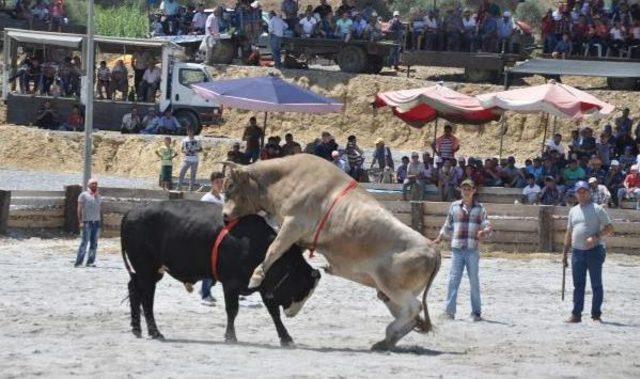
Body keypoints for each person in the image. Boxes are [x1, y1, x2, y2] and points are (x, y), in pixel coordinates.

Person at [434, 179, 492, 321]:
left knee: (473, 281)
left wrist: (485, 231)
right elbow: (447, 225)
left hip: (472, 249)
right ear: (461, 190)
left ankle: (476, 312)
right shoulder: (454, 206)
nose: (466, 191)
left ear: (474, 191)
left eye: (469, 189)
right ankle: (449, 311)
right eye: (464, 189)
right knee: (454, 280)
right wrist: (439, 238)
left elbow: (487, 225)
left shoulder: (480, 208)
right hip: (457, 249)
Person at [563, 181, 614, 323]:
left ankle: (596, 315)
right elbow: (569, 232)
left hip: (595, 251)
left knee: (596, 284)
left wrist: (596, 237)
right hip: (577, 252)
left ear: (589, 192)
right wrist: (564, 254)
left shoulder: (597, 209)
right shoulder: (573, 211)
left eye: (584, 191)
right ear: (575, 194)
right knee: (578, 284)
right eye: (579, 192)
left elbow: (610, 228)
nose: (582, 194)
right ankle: (576, 315)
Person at [199, 171, 225, 306]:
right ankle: (205, 294)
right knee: (209, 266)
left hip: (220, 234)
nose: (220, 185)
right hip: (209, 235)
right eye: (217, 182)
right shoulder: (207, 199)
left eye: (222, 182)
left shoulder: (222, 197)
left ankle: (206, 289)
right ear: (212, 183)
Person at [74, 178, 102, 268]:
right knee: (84, 243)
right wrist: (80, 221)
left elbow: (99, 210)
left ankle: (90, 261)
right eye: (93, 184)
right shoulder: (83, 195)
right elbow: (79, 209)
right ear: (88, 185)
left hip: (96, 222)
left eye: (96, 184)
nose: (94, 185)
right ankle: (79, 262)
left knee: (94, 243)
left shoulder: (98, 196)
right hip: (87, 222)